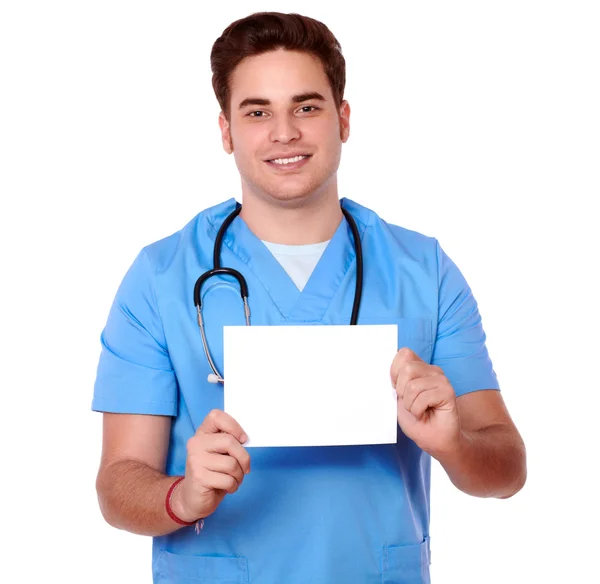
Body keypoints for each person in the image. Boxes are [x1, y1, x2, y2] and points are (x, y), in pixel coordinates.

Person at [92, 11, 526, 584]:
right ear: (226, 131)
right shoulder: (160, 277)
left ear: (342, 119)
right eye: (257, 112)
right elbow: (118, 483)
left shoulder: (425, 271)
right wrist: (183, 496)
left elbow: (506, 469)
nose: (284, 132)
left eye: (306, 106)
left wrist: (454, 444)